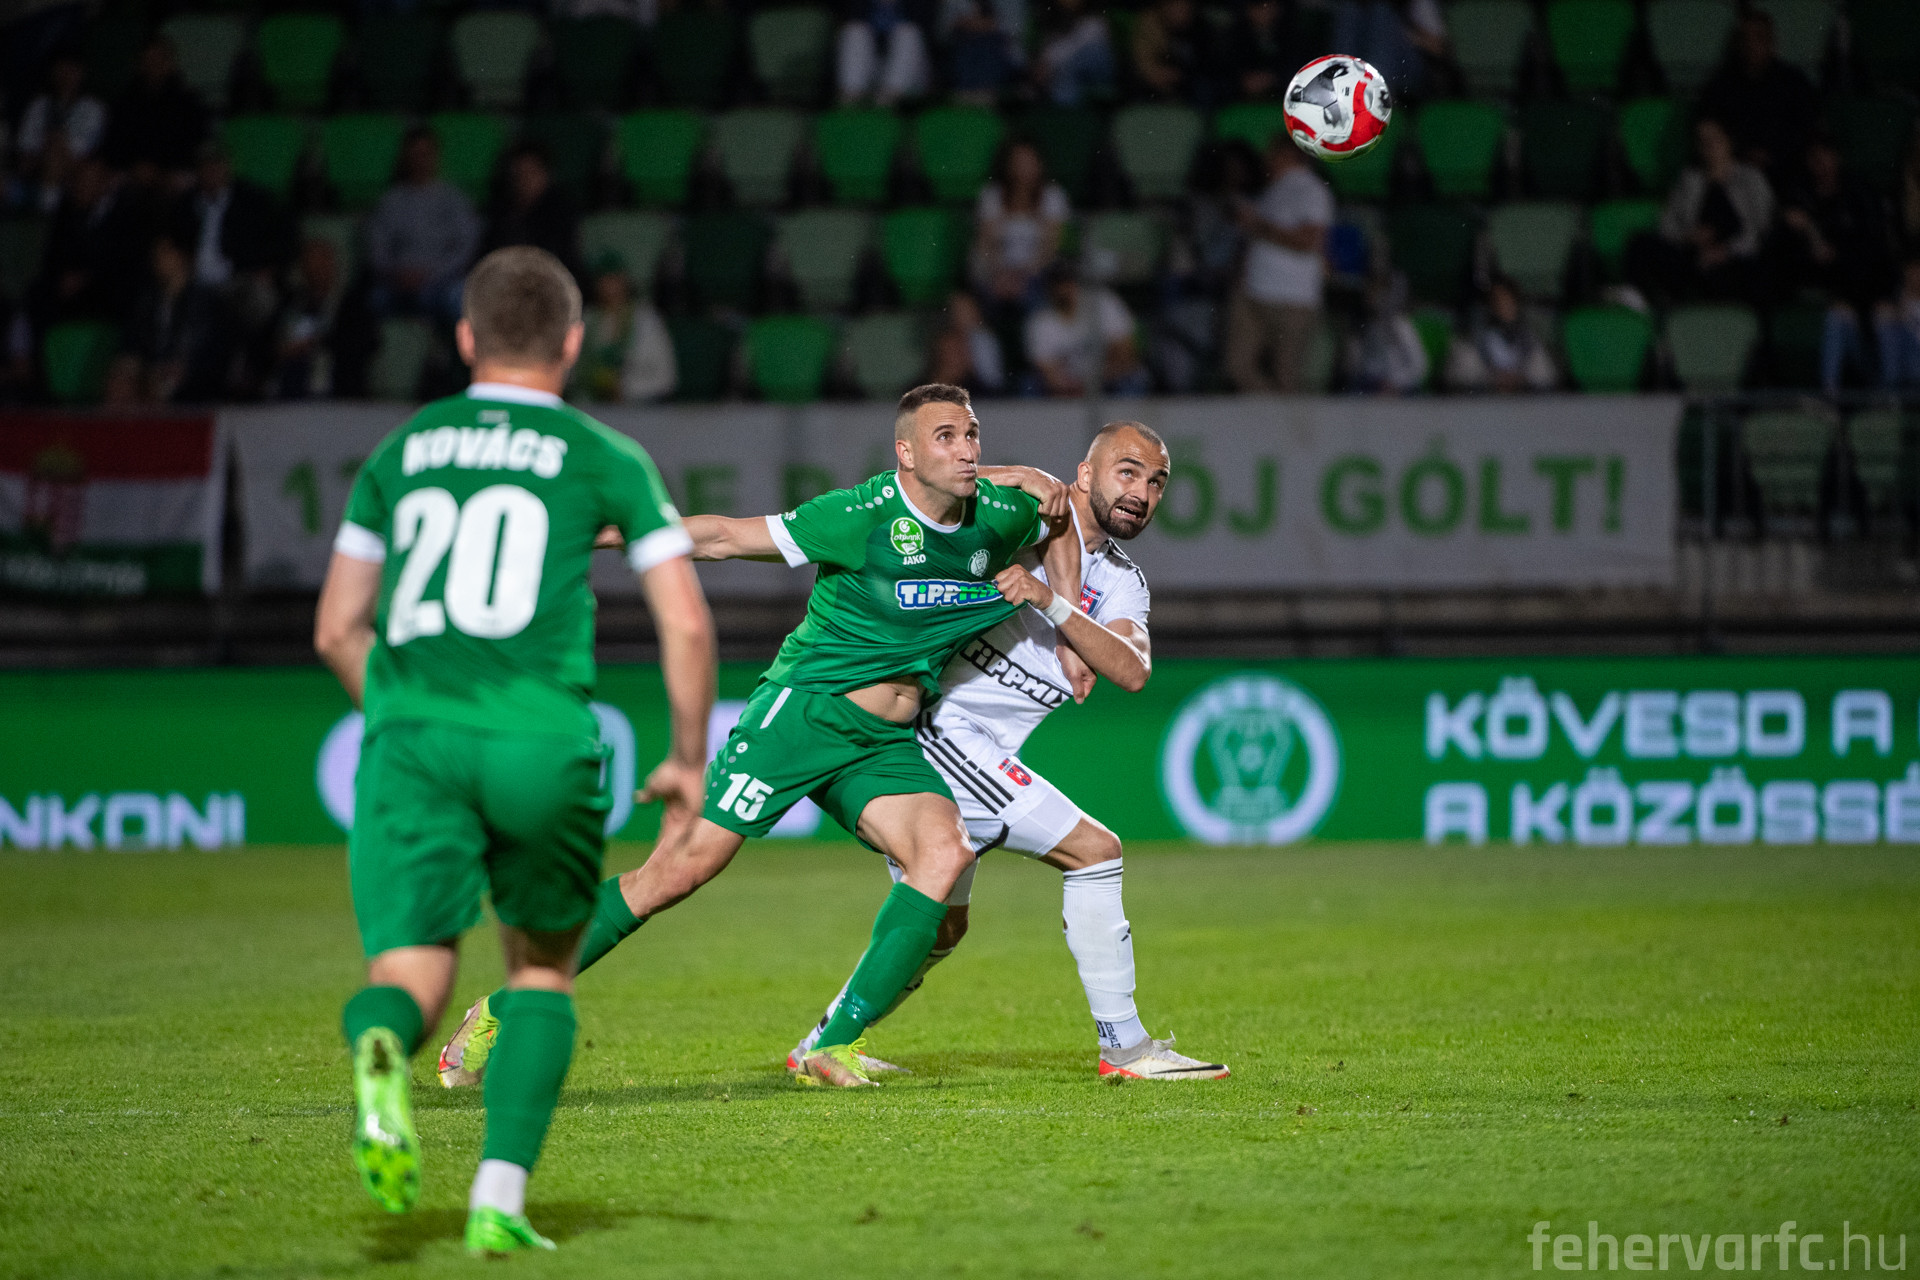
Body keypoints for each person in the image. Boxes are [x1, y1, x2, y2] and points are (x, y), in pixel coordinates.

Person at [435, 383, 1077, 1092]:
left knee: (944, 852)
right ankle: (500, 1009)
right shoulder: (858, 516)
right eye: (945, 437)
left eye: (972, 434)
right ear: (905, 452)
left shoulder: (1002, 515)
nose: (965, 449)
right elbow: (721, 536)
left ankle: (830, 1044)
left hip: (882, 742)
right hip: (801, 717)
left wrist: (1065, 614)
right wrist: (609, 534)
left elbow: (1066, 520)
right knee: (676, 874)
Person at [313, 245, 717, 1254]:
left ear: (465, 338)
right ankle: (497, 1200)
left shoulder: (401, 450)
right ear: (573, 344)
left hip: (415, 739)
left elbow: (335, 629)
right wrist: (686, 755)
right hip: (542, 738)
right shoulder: (606, 455)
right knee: (540, 973)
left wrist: (402, 718)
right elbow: (685, 620)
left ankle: (381, 1045)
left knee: (412, 971)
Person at [786, 421, 1229, 1081]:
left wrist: (1056, 608)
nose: (1141, 492)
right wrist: (1022, 476)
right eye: (1127, 472)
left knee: (943, 930)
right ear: (1086, 473)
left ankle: (822, 1042)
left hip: (981, 746)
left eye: (1157, 481)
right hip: (941, 730)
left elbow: (1131, 668)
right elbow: (922, 487)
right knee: (1096, 851)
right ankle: (1126, 1049)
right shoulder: (1022, 520)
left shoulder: (1123, 580)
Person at [1226, 134, 1333, 394]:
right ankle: (1271, 412)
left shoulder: (1310, 190)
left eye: (1272, 152)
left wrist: (1258, 225)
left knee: (1286, 375)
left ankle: (1282, 418)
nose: (1266, 158)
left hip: (1292, 298)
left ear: (1288, 154)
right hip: (1253, 293)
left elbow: (1309, 240)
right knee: (1236, 366)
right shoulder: (1272, 190)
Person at [1627, 118, 1772, 306]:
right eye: (1703, 141)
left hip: (1736, 257)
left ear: (1729, 141)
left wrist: (1727, 251)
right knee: (1641, 244)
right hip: (1692, 255)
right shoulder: (1689, 179)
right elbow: (1666, 225)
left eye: (1715, 140)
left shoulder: (1751, 178)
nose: (1709, 147)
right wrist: (1687, 237)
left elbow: (1762, 228)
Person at [365, 127, 482, 325]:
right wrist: (397, 274)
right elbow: (376, 248)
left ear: (436, 156)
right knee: (371, 300)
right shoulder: (390, 201)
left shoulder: (454, 199)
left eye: (425, 154)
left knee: (459, 296)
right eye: (414, 154)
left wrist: (432, 274)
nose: (420, 160)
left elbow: (465, 247)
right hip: (396, 284)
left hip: (442, 283)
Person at [104, 232, 232, 404]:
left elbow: (206, 349)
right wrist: (131, 365)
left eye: (164, 252)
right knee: (121, 378)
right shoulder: (149, 302)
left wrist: (181, 367)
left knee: (165, 383)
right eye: (155, 253)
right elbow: (134, 342)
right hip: (153, 371)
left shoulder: (205, 301)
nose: (157, 259)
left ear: (182, 256)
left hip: (187, 375)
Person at [1698, 10, 1817, 183]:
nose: (1751, 45)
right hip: (1733, 173)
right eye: (1745, 39)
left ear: (1772, 43)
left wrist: (1774, 155)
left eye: (1759, 38)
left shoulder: (1794, 83)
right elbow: (1708, 129)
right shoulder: (1720, 86)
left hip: (1788, 172)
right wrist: (1743, 154)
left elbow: (1808, 129)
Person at [29, 155, 148, 327]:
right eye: (79, 179)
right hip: (65, 290)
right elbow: (54, 251)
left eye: (89, 180)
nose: (82, 186)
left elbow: (124, 261)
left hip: (104, 291)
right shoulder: (67, 209)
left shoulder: (126, 213)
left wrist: (86, 277)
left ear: (105, 183)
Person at [272, 236, 378, 398]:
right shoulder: (290, 303)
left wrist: (316, 345)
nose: (316, 270)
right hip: (289, 388)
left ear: (334, 265)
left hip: (338, 391)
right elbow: (271, 342)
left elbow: (365, 344)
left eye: (322, 262)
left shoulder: (352, 305)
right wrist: (284, 349)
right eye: (310, 263)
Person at [972, 140, 1070, 309]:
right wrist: (1000, 275)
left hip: (1036, 273)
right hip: (998, 273)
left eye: (1028, 161)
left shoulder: (1052, 196)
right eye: (1018, 162)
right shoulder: (992, 195)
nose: (1023, 168)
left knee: (1037, 294)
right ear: (1008, 165)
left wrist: (1023, 276)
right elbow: (985, 245)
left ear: (1039, 163)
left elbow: (1050, 248)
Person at [1024, 263, 1148, 396]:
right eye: (1057, 285)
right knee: (1029, 385)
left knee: (1133, 379)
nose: (1063, 289)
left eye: (1067, 282)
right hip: (1070, 387)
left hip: (1110, 379)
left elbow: (1126, 356)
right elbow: (1050, 374)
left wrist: (1094, 381)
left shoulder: (1103, 303)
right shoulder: (1040, 322)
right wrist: (1074, 387)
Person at [569, 253, 675, 402]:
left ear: (625, 281)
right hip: (592, 406)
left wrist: (624, 387)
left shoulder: (646, 320)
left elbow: (666, 377)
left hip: (639, 406)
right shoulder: (587, 319)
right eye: (604, 280)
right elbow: (570, 373)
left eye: (614, 279)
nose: (609, 286)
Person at [101, 35, 207, 184]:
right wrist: (135, 165)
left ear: (171, 62)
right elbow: (115, 142)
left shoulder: (189, 101)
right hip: (131, 171)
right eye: (149, 60)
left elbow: (193, 142)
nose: (154, 65)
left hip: (175, 172)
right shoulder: (125, 102)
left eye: (160, 59)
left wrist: (162, 170)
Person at [481, 142, 584, 288]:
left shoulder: (563, 210)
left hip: (552, 284)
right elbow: (489, 256)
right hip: (506, 284)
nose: (525, 180)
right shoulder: (501, 211)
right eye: (519, 174)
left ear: (546, 174)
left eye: (531, 172)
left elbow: (563, 259)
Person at [15, 50, 107, 211]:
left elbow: (84, 151)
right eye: (62, 69)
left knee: (56, 156)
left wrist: (57, 145)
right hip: (35, 169)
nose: (66, 75)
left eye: (71, 70)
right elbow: (25, 147)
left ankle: (47, 213)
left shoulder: (93, 108)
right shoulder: (39, 104)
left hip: (75, 173)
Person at [1445, 275, 1555, 393]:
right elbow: (1460, 378)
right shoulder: (1473, 339)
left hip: (1524, 397)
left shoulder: (1529, 338)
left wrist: (1518, 379)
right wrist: (1493, 379)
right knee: (1466, 358)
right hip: (1482, 396)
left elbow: (1544, 377)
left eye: (1508, 302)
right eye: (1498, 301)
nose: (1503, 306)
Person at [837, 0, 934, 105]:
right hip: (869, 73)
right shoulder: (857, 5)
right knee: (855, 31)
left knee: (908, 33)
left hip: (911, 74)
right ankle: (851, 96)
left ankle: (890, 98)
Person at [1346, 270, 1427, 393]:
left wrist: (1395, 385)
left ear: (1387, 295)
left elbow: (1420, 366)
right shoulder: (1368, 324)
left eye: (1375, 291)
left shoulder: (1400, 325)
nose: (1370, 296)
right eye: (1369, 291)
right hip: (1373, 384)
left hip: (1400, 387)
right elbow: (1367, 365)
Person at [1031, 0, 1113, 107]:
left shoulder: (1095, 25)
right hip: (1056, 95)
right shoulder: (1051, 31)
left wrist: (1051, 66)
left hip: (1093, 89)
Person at [928, 289, 1006, 394]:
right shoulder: (919, 389)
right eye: (951, 351)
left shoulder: (981, 392)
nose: (956, 356)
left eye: (960, 351)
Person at [1131, 0, 1201, 102]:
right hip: (1153, 96)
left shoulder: (1200, 26)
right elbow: (1146, 70)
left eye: (1188, 6)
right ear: (1164, 6)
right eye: (1179, 7)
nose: (1185, 11)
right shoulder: (1149, 25)